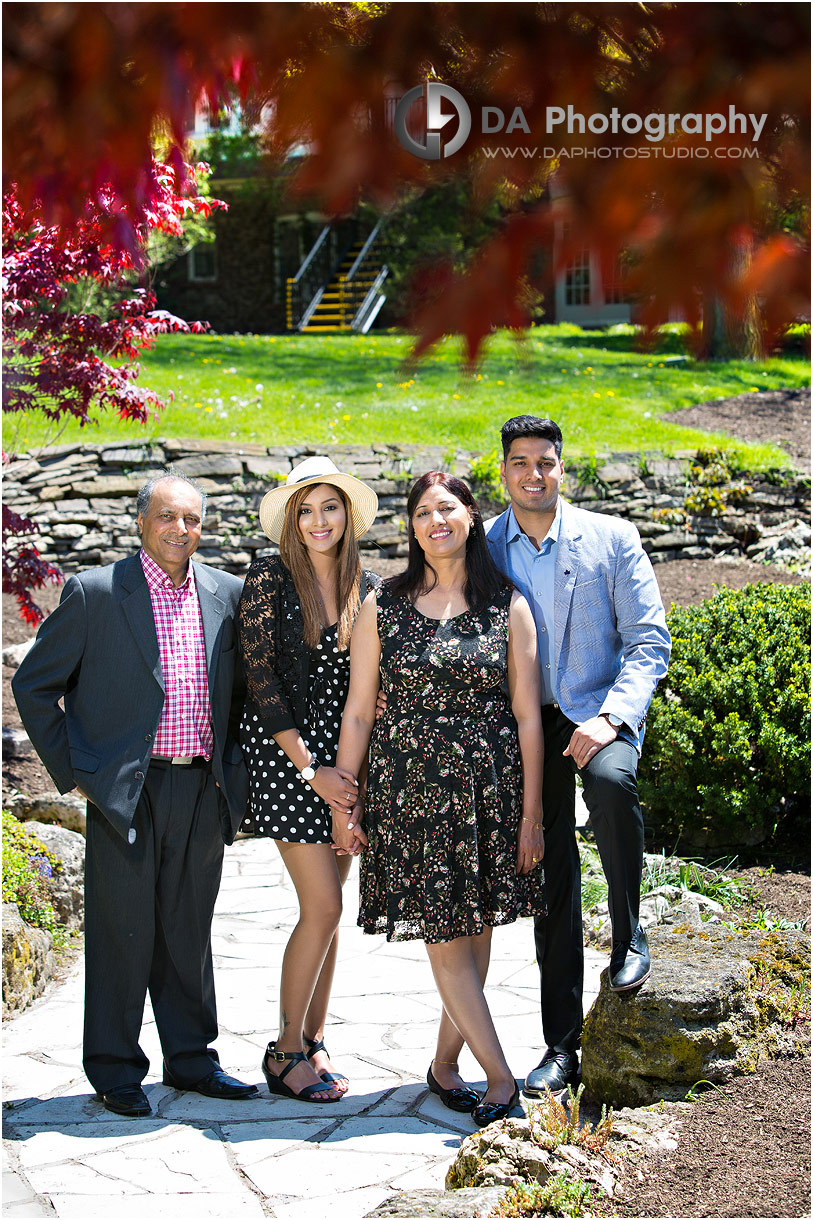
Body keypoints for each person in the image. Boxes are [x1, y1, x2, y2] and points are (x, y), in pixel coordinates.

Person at [12, 471, 258, 1117]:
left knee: (187, 931)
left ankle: (191, 1061)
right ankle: (116, 1068)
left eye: (193, 520)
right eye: (168, 518)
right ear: (142, 522)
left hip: (201, 788)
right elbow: (35, 686)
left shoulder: (226, 594)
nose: (182, 530)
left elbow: (244, 694)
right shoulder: (96, 594)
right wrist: (79, 773)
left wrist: (232, 767)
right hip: (126, 791)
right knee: (122, 932)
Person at [334, 471, 546, 1127]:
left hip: (487, 790)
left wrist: (531, 816)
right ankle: (502, 1080)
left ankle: (443, 1068)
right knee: (449, 938)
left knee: (475, 933)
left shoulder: (505, 603)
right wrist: (346, 803)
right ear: (413, 527)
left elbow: (527, 717)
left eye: (446, 508)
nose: (435, 520)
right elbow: (360, 713)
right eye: (422, 511)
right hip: (410, 793)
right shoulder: (382, 603)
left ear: (469, 517)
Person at [483, 415, 671, 1098]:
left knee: (614, 783)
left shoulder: (612, 539)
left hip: (599, 708)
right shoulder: (484, 548)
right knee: (550, 874)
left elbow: (649, 643)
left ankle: (628, 937)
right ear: (501, 471)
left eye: (545, 463)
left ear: (562, 469)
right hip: (527, 728)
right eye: (519, 463)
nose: (533, 475)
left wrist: (611, 716)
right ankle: (561, 1046)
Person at [238, 456, 380, 1104]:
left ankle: (315, 1041)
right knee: (319, 906)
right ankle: (284, 1049)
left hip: (346, 768)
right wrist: (310, 770)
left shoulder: (367, 585)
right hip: (287, 761)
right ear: (292, 520)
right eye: (305, 508)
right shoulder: (269, 577)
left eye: (328, 507)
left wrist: (346, 781)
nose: (318, 520)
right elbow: (261, 684)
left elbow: (367, 689)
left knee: (333, 911)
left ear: (345, 515)